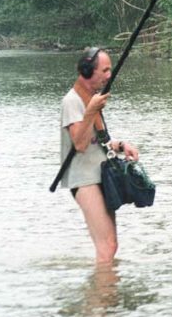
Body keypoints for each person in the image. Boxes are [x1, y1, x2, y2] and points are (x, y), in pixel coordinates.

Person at [60, 47, 140, 263]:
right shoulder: (73, 101)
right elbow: (81, 143)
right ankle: (103, 295)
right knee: (107, 246)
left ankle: (104, 292)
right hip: (84, 180)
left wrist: (121, 145)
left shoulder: (92, 98)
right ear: (87, 71)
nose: (109, 75)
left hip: (100, 176)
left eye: (110, 70)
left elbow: (98, 141)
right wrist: (91, 111)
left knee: (110, 245)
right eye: (104, 70)